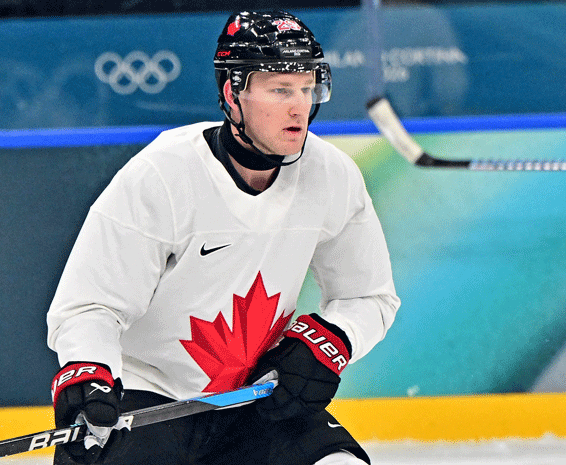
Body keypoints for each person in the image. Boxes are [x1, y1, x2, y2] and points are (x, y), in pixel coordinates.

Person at [47, 10, 400, 465]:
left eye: (308, 88)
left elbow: (371, 296)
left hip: (255, 398)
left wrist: (335, 338)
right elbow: (88, 305)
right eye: (280, 90)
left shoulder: (332, 176)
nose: (300, 107)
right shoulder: (164, 174)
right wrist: (87, 368)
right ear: (233, 93)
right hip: (148, 400)